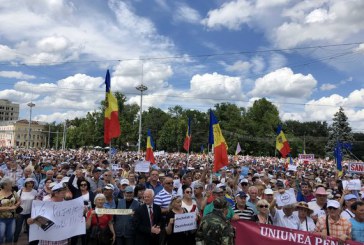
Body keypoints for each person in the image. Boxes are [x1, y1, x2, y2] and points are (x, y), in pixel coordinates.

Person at [13, 178, 37, 243]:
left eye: (31, 183)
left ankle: (30, 242)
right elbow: (16, 200)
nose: (30, 184)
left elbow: (36, 202)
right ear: (25, 184)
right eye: (28, 183)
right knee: (18, 228)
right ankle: (14, 241)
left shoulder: (35, 192)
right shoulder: (20, 191)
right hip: (20, 212)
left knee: (29, 228)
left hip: (30, 213)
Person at [0, 177, 20, 244]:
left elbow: (19, 200)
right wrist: (9, 208)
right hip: (1, 218)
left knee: (10, 236)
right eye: (10, 184)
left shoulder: (13, 192)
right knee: (1, 236)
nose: (12, 185)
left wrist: (16, 206)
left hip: (12, 218)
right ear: (5, 185)